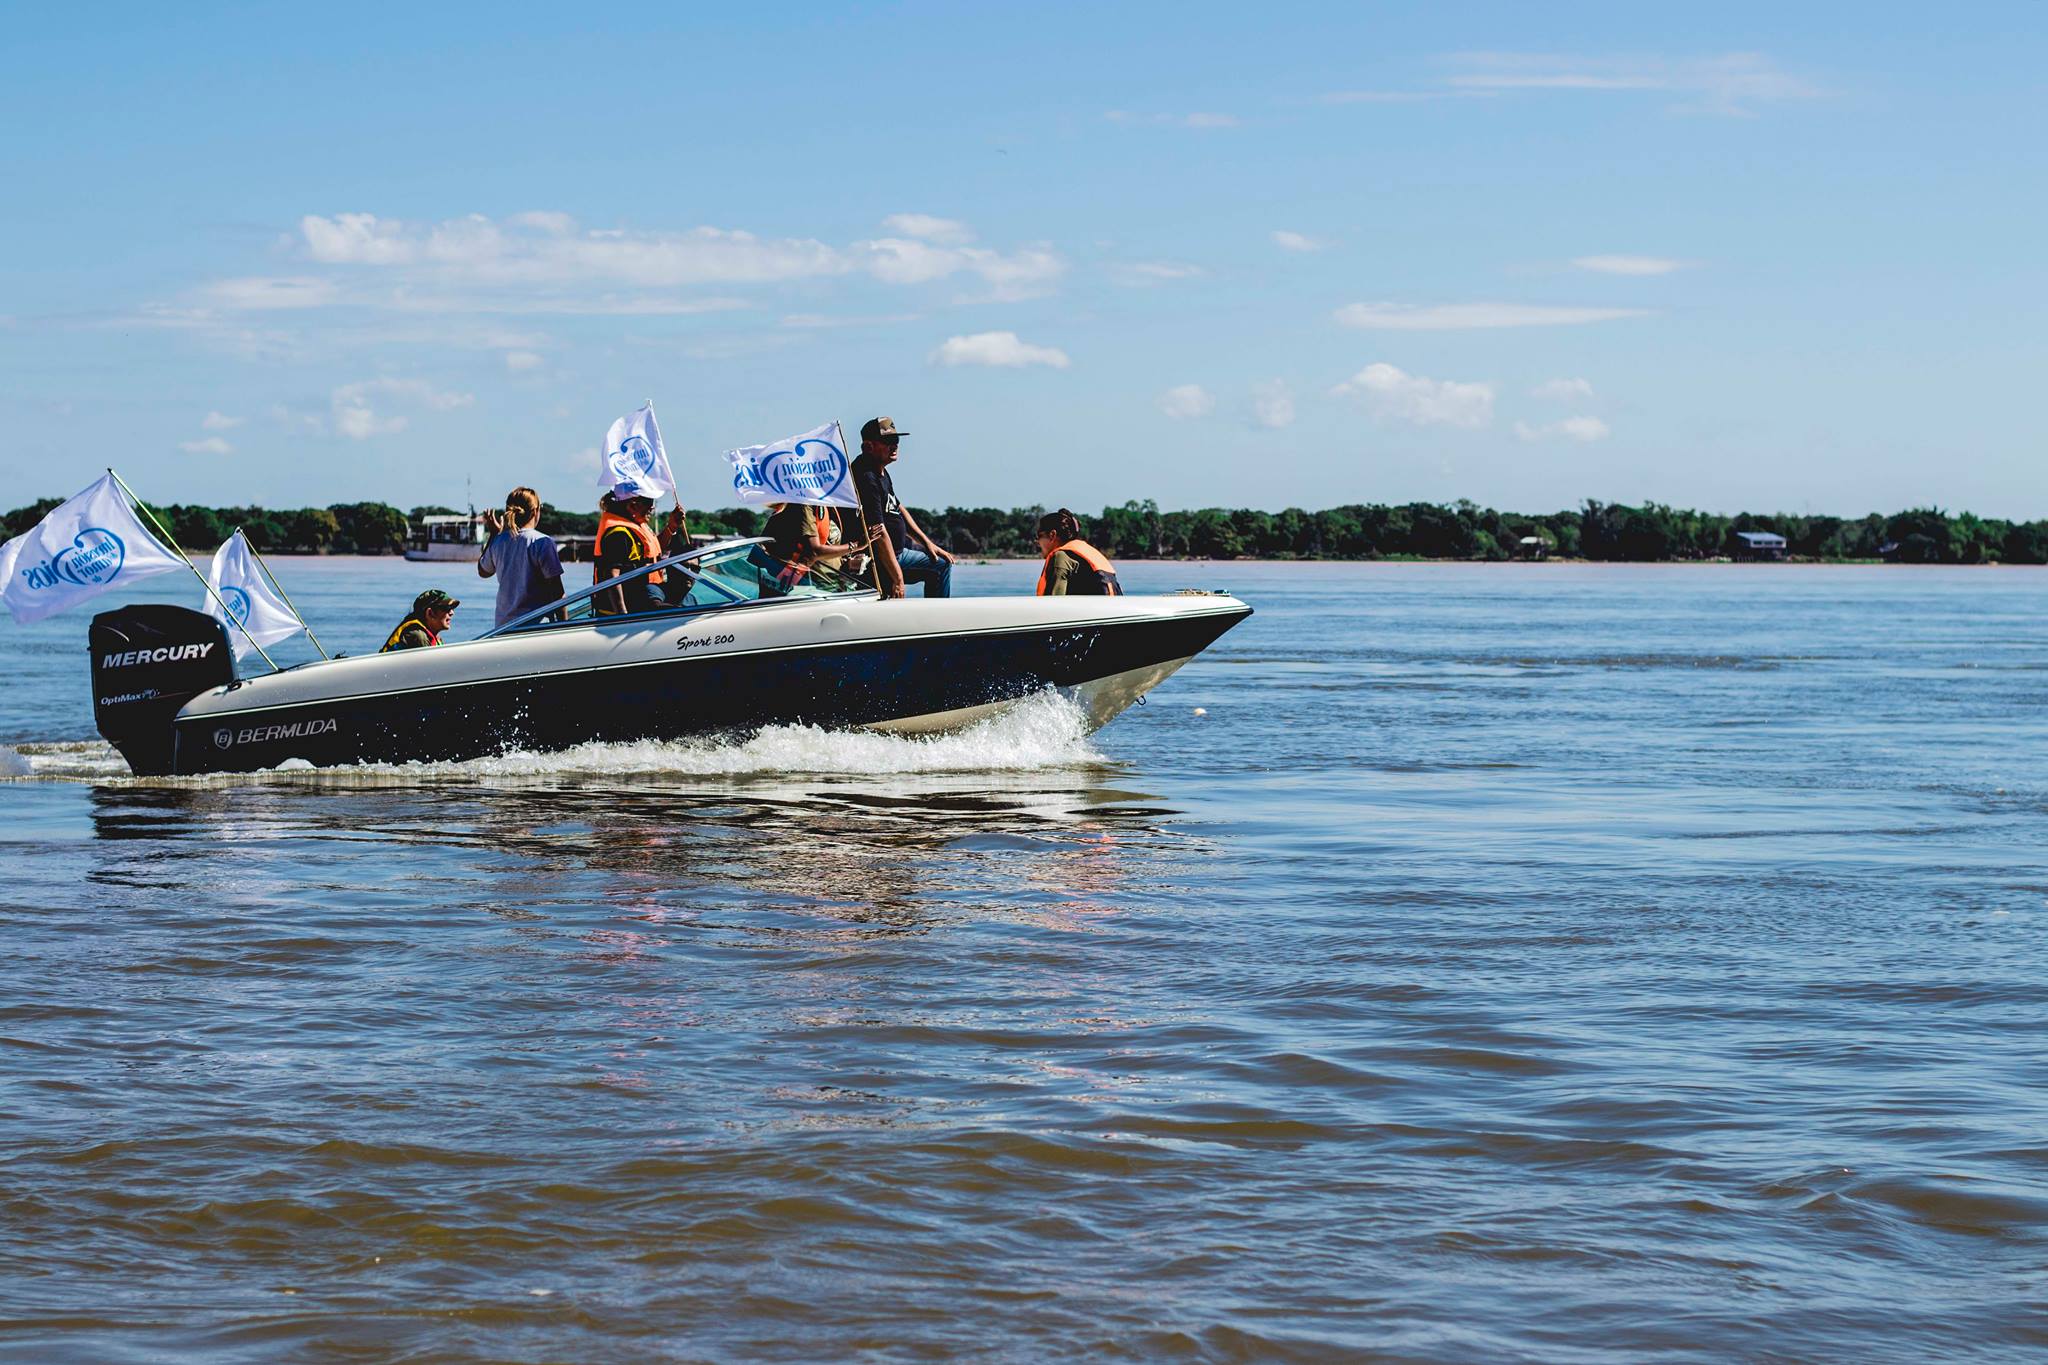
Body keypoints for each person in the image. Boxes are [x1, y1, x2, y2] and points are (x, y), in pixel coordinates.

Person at [851, 416, 953, 599]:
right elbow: (878, 530)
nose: (895, 445)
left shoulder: (880, 470)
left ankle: (933, 616)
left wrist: (927, 543)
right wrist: (897, 578)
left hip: (899, 553)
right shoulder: (866, 476)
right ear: (868, 446)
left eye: (896, 440)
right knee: (941, 566)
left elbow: (897, 507)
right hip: (883, 559)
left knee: (940, 560)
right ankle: (938, 618)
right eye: (888, 441)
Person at [594, 485, 688, 616]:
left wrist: (671, 526)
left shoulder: (637, 523)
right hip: (626, 614)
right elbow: (611, 576)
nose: (652, 507)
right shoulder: (618, 534)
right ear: (632, 506)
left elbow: (653, 551)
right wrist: (622, 615)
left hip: (648, 599)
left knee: (689, 601)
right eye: (649, 502)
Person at [478, 486, 565, 626]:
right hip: (535, 629)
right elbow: (558, 593)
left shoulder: (499, 541)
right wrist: (564, 627)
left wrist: (494, 533)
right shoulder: (542, 542)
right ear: (535, 511)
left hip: (503, 628)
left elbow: (483, 571)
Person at [762, 501, 875, 591]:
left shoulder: (827, 504)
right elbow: (814, 552)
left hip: (830, 587)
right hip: (803, 589)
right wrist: (857, 545)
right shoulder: (805, 504)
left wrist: (846, 563)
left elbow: (826, 549)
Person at [1035, 509, 1123, 596]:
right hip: (1111, 606)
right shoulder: (1089, 552)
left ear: (1052, 535)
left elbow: (1054, 603)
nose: (1037, 541)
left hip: (1094, 609)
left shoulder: (1061, 557)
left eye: (1039, 536)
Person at [381, 589, 458, 652]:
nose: (452, 613)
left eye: (452, 608)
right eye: (446, 609)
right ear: (430, 613)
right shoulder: (417, 635)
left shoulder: (434, 637)